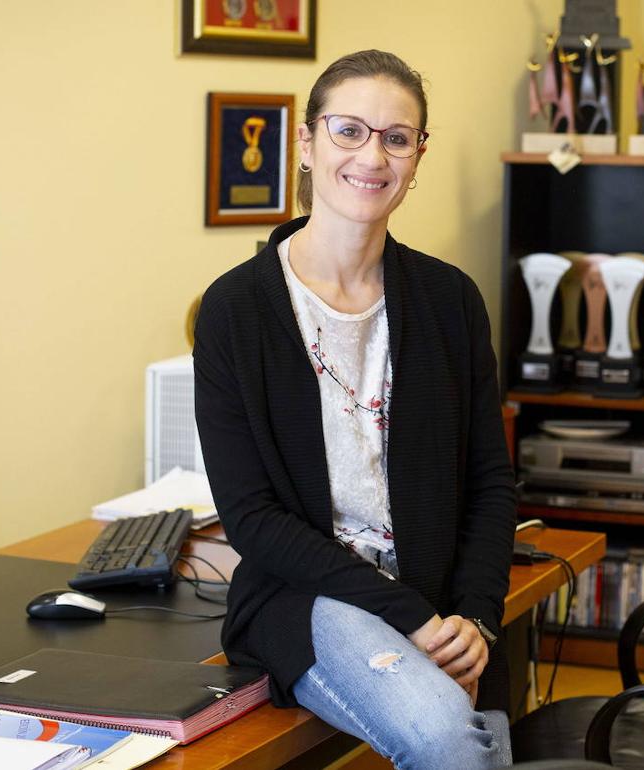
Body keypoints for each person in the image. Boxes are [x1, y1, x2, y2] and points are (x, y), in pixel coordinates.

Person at [192, 50, 516, 769]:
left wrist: (475, 618)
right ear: (305, 143)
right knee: (445, 735)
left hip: (433, 596)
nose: (372, 155)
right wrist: (416, 621)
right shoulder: (235, 310)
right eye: (349, 131)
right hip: (305, 599)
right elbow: (252, 519)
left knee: (463, 729)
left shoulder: (450, 300)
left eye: (397, 138)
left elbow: (491, 483)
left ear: (418, 156)